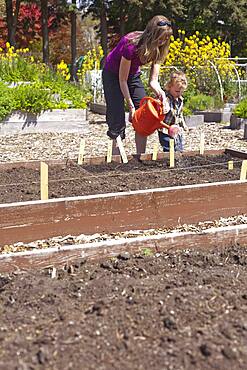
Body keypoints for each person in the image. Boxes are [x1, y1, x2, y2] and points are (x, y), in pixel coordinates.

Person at [102, 15, 173, 155]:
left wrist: (162, 95)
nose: (164, 41)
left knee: (143, 114)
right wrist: (130, 107)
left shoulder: (161, 48)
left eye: (166, 38)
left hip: (132, 75)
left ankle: (140, 158)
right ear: (152, 34)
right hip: (113, 75)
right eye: (161, 38)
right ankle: (116, 160)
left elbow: (153, 81)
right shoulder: (131, 44)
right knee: (117, 118)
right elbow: (122, 80)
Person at [158, 71, 189, 152]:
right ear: (169, 87)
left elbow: (180, 114)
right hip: (165, 129)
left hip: (176, 129)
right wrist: (164, 107)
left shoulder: (180, 100)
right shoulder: (166, 99)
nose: (179, 94)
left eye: (181, 91)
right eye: (177, 91)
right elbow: (160, 109)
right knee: (169, 147)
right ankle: (169, 162)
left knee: (179, 146)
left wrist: (184, 125)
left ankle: (178, 161)